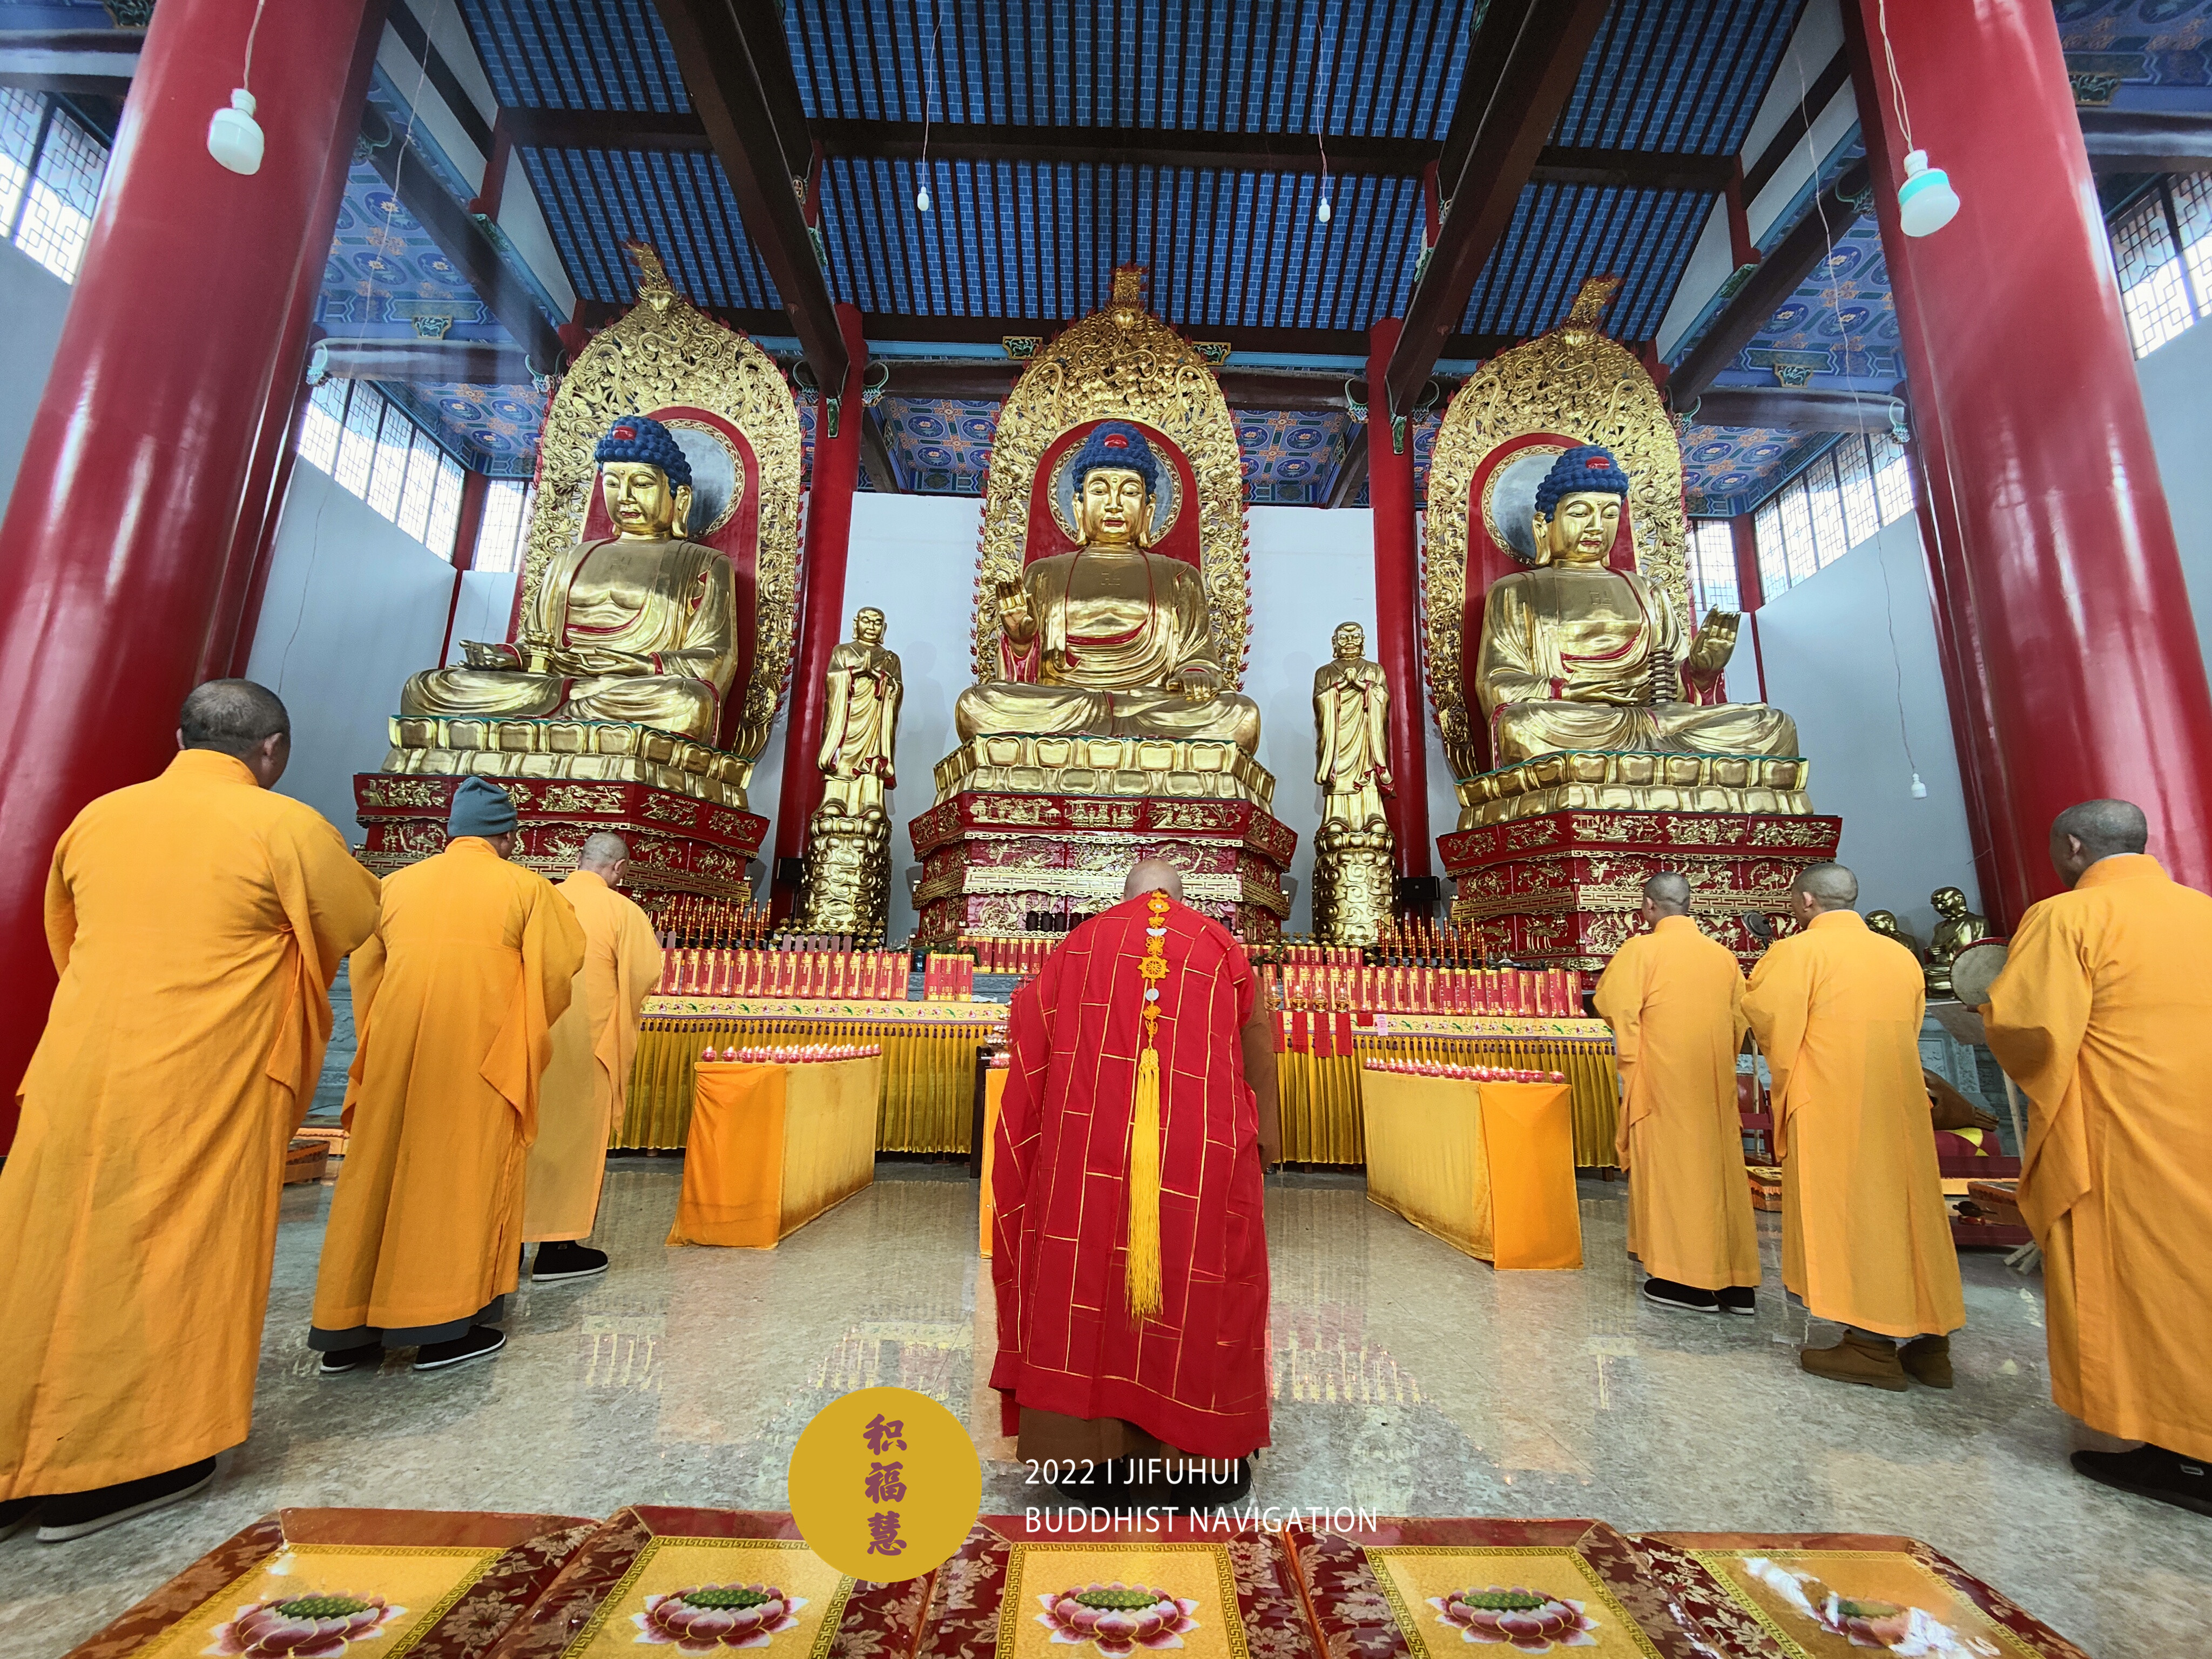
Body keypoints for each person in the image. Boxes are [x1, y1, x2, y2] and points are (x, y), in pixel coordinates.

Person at [1, 682, 380, 1543]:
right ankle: (128, 1462)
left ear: (179, 739)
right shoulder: (286, 827)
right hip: (202, 1081)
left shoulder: (97, 819)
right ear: (272, 751)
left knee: (41, 1250)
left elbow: (67, 939)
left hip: (77, 1070)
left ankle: (17, 1454)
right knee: (172, 1252)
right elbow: (359, 916)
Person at [990, 858, 1280, 1508]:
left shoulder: (1078, 945)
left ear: (1123, 896)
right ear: (1183, 898)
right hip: (1198, 1154)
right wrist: (1261, 1146)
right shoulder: (1219, 947)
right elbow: (1256, 1053)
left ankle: (1086, 1461)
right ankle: (1198, 1462)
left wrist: (1036, 1147)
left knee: (1085, 1291)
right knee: (1199, 1291)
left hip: (1088, 1148)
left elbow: (1032, 1043)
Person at [308, 777, 584, 1374]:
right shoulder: (528, 889)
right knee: (458, 1181)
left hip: (397, 1058)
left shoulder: (394, 886)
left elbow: (366, 974)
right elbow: (557, 971)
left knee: (376, 1177)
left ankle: (347, 1328)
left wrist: (393, 1036)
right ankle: (443, 1326)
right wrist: (517, 1032)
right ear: (507, 837)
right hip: (481, 1064)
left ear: (449, 832)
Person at [1982, 799, 2212, 1516]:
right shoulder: (2204, 913)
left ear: (2074, 846)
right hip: (2199, 1125)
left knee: (2144, 1281)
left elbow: (2030, 1030)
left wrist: (1987, 1015)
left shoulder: (2067, 917)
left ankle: (2183, 1446)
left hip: (2123, 1135)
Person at [1743, 863, 1964, 1390]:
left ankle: (1870, 1345)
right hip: (1899, 1102)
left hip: (1834, 1105)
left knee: (1855, 1215)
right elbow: (1913, 1025)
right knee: (1912, 1213)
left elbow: (1768, 1019)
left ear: (1806, 902)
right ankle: (1932, 1344)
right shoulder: (1898, 956)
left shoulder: (1798, 953)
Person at [1593, 873, 1759, 1315]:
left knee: (1675, 1177)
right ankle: (1737, 1282)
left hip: (1664, 1084)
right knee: (1721, 1175)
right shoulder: (1722, 956)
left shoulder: (1641, 951)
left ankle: (1685, 1281)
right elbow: (1739, 1021)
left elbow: (1613, 1006)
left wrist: (1634, 1056)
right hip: (1713, 1085)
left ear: (1649, 906)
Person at [524, 833, 663, 1280]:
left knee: (522, 1133)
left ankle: (506, 1241)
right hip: (588, 1040)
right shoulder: (621, 910)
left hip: (529, 1036)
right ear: (619, 869)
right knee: (574, 1138)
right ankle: (557, 1246)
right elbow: (645, 973)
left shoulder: (539, 897)